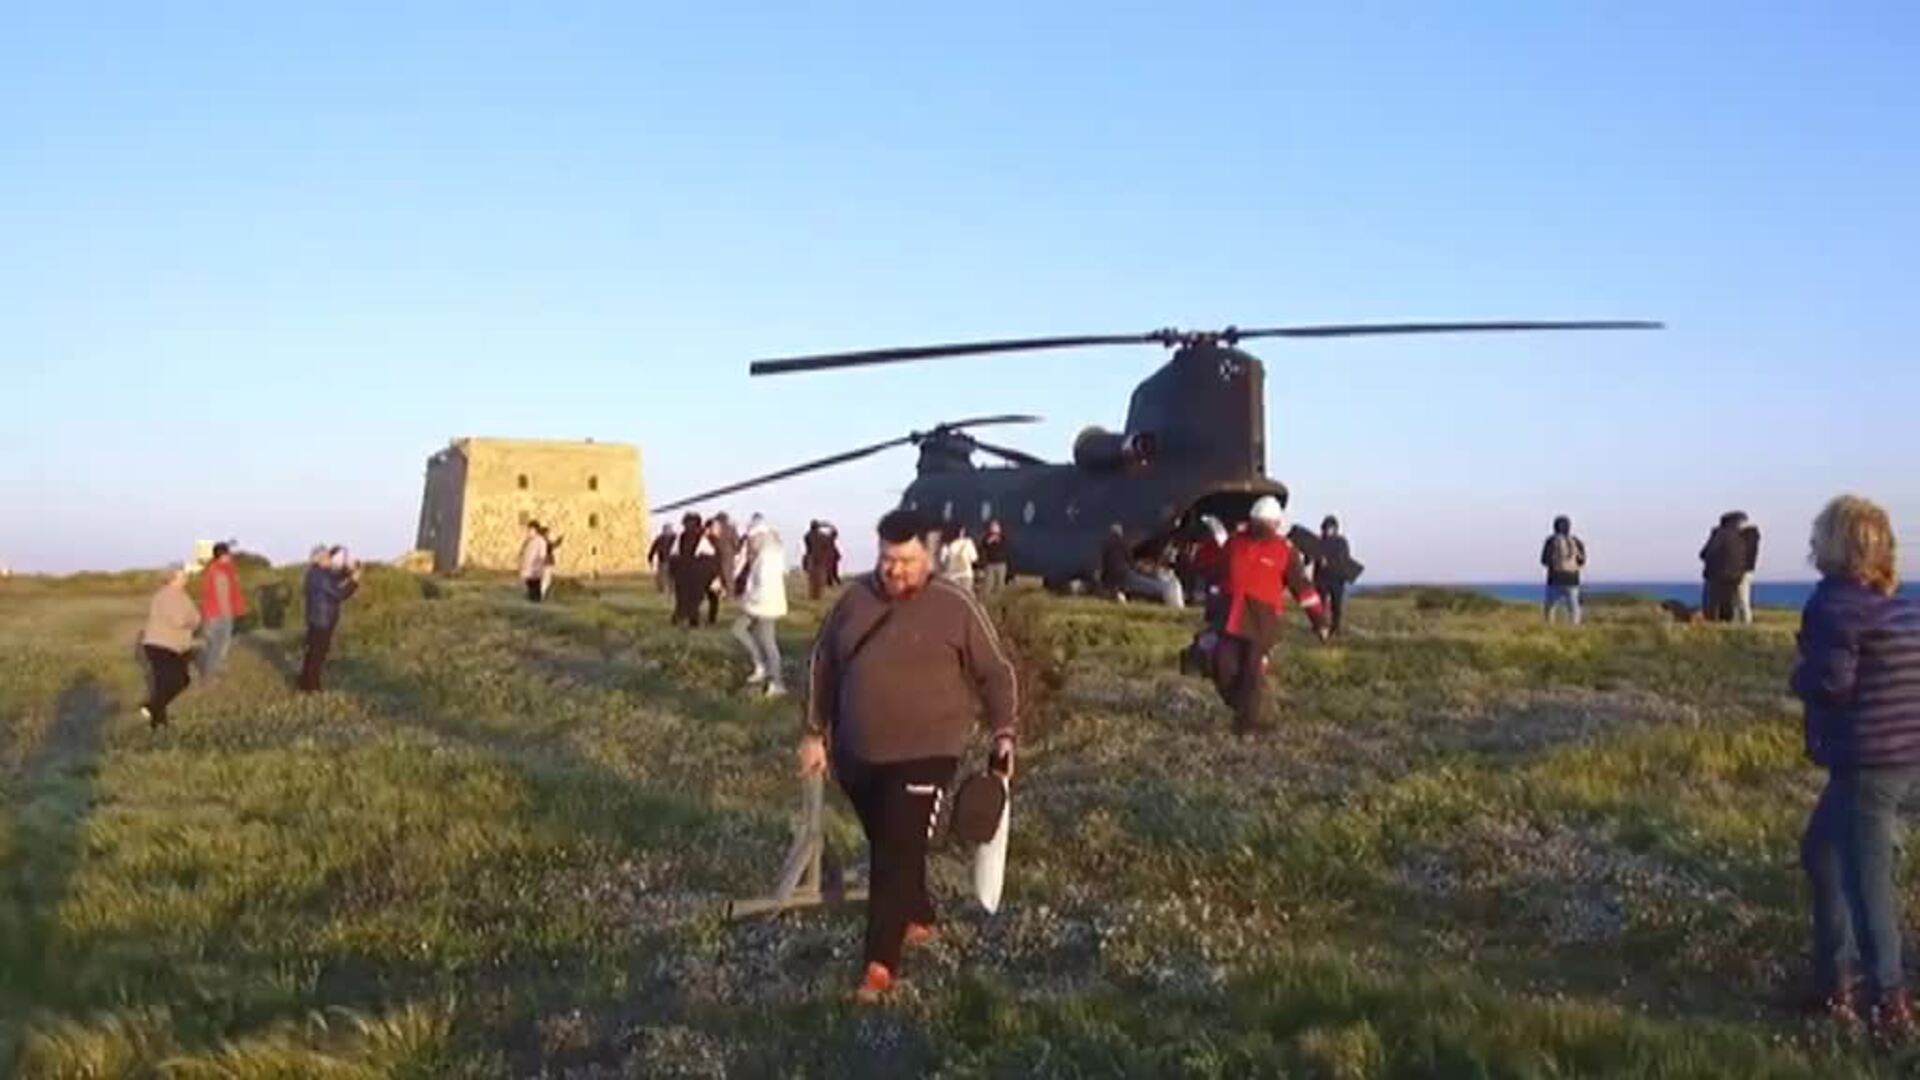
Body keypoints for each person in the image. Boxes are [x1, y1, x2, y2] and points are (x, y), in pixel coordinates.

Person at [798, 509, 1018, 1003]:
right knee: (892, 841)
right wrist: (814, 732)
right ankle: (918, 915)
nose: (893, 570)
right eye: (885, 559)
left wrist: (1004, 732)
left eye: (906, 560)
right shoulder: (853, 601)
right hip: (858, 754)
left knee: (895, 847)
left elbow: (995, 673)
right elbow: (823, 665)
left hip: (929, 749)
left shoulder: (955, 606)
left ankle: (879, 965)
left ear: (931, 556)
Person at [1793, 495, 1920, 1039]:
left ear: (1835, 545)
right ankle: (1833, 980)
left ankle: (1888, 1005)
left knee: (1867, 883)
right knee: (1821, 854)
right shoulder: (1902, 603)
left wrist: (1799, 676)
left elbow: (1832, 684)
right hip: (1907, 754)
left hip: (1868, 763)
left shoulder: (1833, 605)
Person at [1206, 497, 1329, 734]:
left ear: (1276, 524)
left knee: (1252, 675)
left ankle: (1247, 730)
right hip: (1230, 618)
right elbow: (1217, 576)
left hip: (1262, 624)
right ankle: (1249, 709)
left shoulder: (1284, 551)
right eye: (1257, 521)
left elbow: (1303, 589)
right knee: (1222, 666)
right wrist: (1213, 608)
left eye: (1266, 522)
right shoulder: (1234, 544)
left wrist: (1320, 622)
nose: (1261, 526)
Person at [140, 563, 202, 729]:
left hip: (175, 646)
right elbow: (181, 620)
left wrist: (192, 620)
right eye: (182, 575)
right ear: (172, 578)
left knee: (164, 684)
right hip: (160, 646)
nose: (186, 578)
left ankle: (158, 722)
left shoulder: (182, 595)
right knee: (179, 680)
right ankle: (152, 708)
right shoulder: (166, 596)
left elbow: (196, 617)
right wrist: (192, 621)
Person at [733, 518, 790, 696]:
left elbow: (763, 585)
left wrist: (748, 599)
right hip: (759, 603)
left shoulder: (768, 556)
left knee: (768, 643)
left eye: (751, 539)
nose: (749, 543)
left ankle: (777, 682)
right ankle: (761, 665)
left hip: (764, 604)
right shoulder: (766, 553)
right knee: (739, 629)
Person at [299, 545, 361, 692]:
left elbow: (335, 575)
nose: (330, 560)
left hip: (316, 618)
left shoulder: (316, 573)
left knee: (312, 653)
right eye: (327, 557)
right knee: (318, 654)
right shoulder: (320, 576)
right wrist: (354, 582)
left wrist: (348, 571)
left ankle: (304, 682)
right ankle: (312, 687)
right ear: (319, 560)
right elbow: (340, 594)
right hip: (322, 619)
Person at [196, 541, 249, 681]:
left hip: (222, 614)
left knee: (222, 644)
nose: (230, 556)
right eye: (228, 554)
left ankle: (216, 668)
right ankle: (208, 676)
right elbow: (221, 595)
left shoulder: (222, 569)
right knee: (214, 647)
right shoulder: (216, 571)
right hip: (217, 615)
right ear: (223, 555)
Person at [1311, 516, 1362, 636]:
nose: (1328, 530)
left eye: (1331, 527)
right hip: (1321, 579)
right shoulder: (1318, 542)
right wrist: (1317, 559)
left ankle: (1336, 628)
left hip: (1337, 578)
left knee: (1336, 605)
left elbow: (1344, 559)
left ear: (1335, 528)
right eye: (1326, 527)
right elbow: (1309, 558)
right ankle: (1320, 626)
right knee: (1320, 604)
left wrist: (1330, 562)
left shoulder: (1341, 542)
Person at [1700, 512, 1748, 622]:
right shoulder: (1739, 536)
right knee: (1729, 601)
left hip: (1718, 574)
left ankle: (1713, 621)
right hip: (1736, 575)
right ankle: (1727, 621)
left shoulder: (1719, 534)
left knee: (1713, 602)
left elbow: (1707, 552)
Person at [670, 513, 715, 628]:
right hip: (686, 571)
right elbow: (674, 554)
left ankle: (690, 618)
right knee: (685, 596)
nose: (688, 526)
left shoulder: (701, 538)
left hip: (694, 572)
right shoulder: (681, 538)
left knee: (692, 597)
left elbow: (709, 555)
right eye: (687, 523)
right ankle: (683, 617)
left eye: (691, 524)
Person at [1540, 516, 1587, 625]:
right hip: (1573, 579)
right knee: (1574, 608)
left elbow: (1544, 561)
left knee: (1550, 607)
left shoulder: (1551, 540)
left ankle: (1549, 628)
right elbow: (1582, 561)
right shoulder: (1576, 541)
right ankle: (1574, 629)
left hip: (1554, 579)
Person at [938, 523, 980, 591]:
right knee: (966, 595)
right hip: (966, 573)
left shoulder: (948, 545)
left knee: (955, 596)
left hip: (953, 575)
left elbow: (942, 560)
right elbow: (974, 558)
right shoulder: (968, 542)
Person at [1737, 515, 1762, 624]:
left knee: (1742, 598)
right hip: (1748, 570)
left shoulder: (1747, 538)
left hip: (1743, 570)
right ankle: (1745, 620)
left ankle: (1746, 621)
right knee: (1743, 598)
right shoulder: (1753, 537)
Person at [1100, 524, 1133, 601]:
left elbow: (1105, 559)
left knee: (1112, 586)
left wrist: (1104, 572)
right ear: (1120, 533)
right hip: (1122, 569)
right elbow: (1129, 557)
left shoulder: (1107, 544)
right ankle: (1126, 598)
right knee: (1124, 584)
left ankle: (1114, 597)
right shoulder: (1124, 543)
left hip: (1110, 570)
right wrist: (1132, 567)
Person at [519, 521, 551, 603]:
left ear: (535, 530)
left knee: (535, 594)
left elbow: (542, 556)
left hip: (535, 572)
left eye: (530, 530)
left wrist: (541, 569)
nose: (528, 532)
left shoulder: (541, 542)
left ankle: (537, 605)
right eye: (528, 530)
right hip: (528, 571)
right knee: (529, 592)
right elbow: (524, 554)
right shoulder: (528, 541)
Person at [978, 520, 1010, 598]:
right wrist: (990, 540)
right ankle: (985, 599)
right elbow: (983, 545)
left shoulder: (1003, 537)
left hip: (1001, 564)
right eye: (993, 527)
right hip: (990, 564)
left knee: (1000, 584)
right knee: (988, 584)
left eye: (996, 527)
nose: (994, 529)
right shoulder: (986, 537)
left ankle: (998, 601)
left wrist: (998, 538)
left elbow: (1006, 544)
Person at [648, 523, 678, 595]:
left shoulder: (674, 538)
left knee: (670, 576)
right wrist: (650, 557)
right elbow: (654, 548)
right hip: (664, 560)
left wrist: (650, 557)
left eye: (668, 530)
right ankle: (663, 590)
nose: (667, 532)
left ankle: (670, 590)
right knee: (663, 576)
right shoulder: (660, 538)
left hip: (672, 560)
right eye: (666, 530)